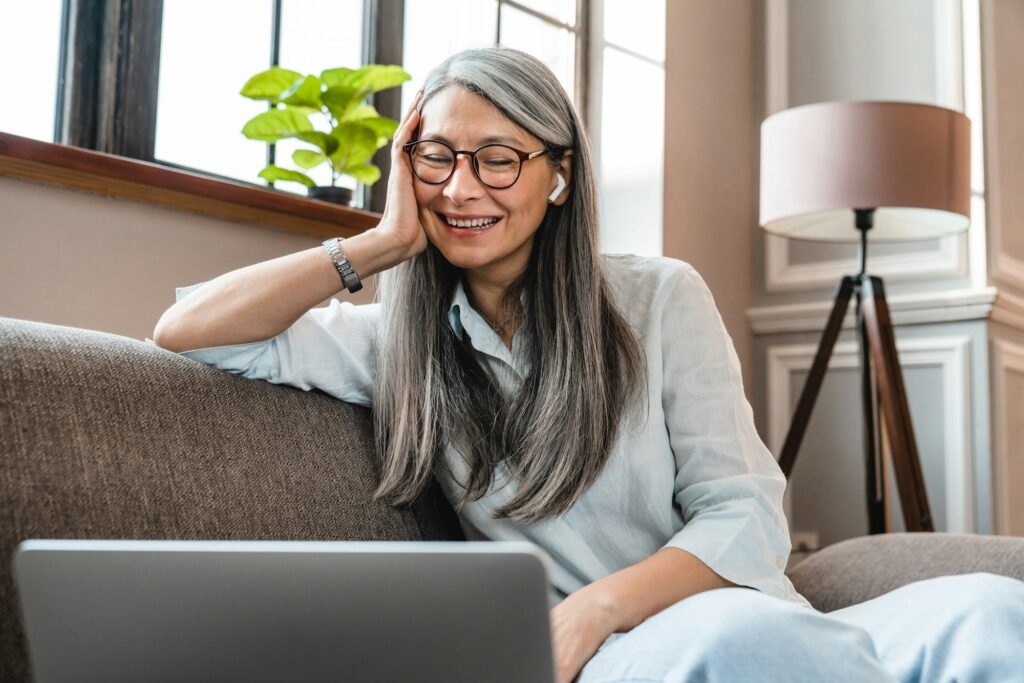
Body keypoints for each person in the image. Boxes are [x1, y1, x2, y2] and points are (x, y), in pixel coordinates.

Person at [152, 47, 1024, 683]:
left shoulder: (661, 299)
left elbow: (746, 515)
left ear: (559, 177)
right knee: (738, 644)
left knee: (989, 609)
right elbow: (187, 329)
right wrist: (378, 244)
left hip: (696, 622)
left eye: (499, 159)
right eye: (438, 157)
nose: (462, 187)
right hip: (630, 662)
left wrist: (599, 602)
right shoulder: (395, 343)